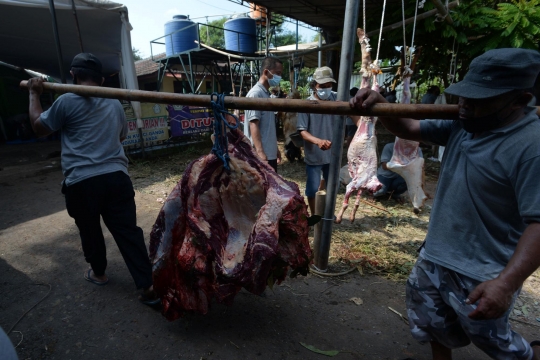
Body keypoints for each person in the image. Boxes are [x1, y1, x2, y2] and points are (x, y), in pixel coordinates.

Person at [350, 48, 540, 360]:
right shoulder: (463, 124)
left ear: (520, 99)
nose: (464, 106)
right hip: (435, 255)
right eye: (464, 97)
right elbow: (408, 129)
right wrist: (382, 106)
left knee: (493, 340)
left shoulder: (531, 147)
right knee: (432, 324)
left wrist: (506, 284)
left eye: (480, 100)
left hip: (484, 270)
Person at [26, 53, 159, 306]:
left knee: (90, 230)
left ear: (73, 76)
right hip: (116, 178)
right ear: (100, 79)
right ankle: (147, 285)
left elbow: (38, 127)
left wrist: (34, 93)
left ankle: (99, 273)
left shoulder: (65, 101)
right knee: (128, 232)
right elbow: (120, 138)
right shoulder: (114, 103)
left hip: (82, 182)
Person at [297, 66, 339, 214]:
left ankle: (328, 213)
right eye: (322, 86)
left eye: (329, 86)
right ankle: (316, 217)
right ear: (315, 85)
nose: (326, 89)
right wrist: (318, 141)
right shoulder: (307, 104)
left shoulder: (336, 98)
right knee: (312, 189)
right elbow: (302, 131)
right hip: (314, 154)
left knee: (332, 187)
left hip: (332, 154)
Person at [245, 57, 283, 172]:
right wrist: (260, 153)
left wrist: (275, 149)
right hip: (261, 156)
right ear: (266, 72)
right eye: (277, 73)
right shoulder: (256, 94)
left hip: (269, 153)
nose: (279, 77)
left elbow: (268, 127)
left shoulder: (266, 94)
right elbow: (253, 124)